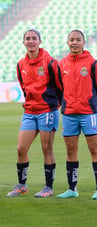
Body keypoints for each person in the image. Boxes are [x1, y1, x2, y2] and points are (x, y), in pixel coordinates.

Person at [7, 29, 62, 198]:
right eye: (27, 38)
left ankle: (48, 187)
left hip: (47, 111)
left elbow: (60, 86)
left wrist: (54, 106)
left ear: (40, 41)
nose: (31, 41)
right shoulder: (20, 64)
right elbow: (24, 87)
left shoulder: (50, 62)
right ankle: (22, 185)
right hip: (30, 111)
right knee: (21, 148)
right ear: (24, 42)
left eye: (34, 38)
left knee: (46, 149)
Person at [56, 29, 97, 200]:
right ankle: (72, 189)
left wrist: (95, 111)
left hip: (89, 113)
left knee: (94, 149)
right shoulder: (61, 64)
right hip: (69, 113)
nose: (74, 42)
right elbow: (58, 88)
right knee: (70, 150)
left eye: (78, 39)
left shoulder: (93, 63)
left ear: (83, 42)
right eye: (71, 40)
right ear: (67, 42)